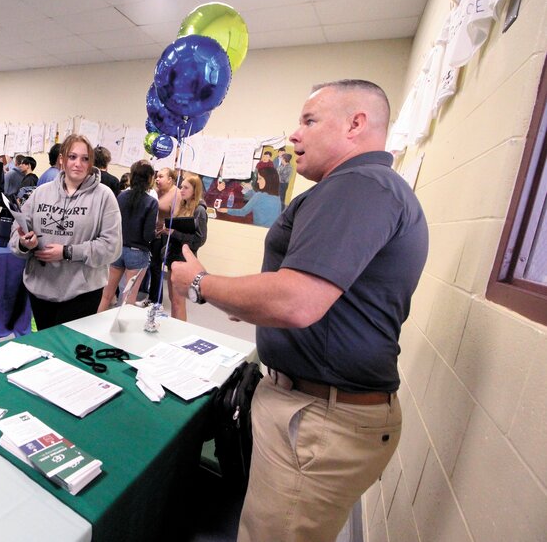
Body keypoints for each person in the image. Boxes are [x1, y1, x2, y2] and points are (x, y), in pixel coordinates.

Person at [171, 79, 429, 542]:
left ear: (356, 124)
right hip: (311, 409)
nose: (294, 135)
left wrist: (199, 284)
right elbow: (315, 296)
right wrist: (237, 299)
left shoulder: (359, 185)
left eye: (309, 121)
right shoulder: (358, 189)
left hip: (319, 418)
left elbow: (297, 300)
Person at [9, 134, 121, 330]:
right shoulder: (41, 192)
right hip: (40, 289)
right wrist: (24, 243)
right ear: (62, 159)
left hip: (81, 293)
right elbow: (16, 233)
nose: (78, 163)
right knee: (44, 349)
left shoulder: (104, 196)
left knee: (68, 354)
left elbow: (112, 247)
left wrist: (68, 252)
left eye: (85, 158)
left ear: (91, 162)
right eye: (72, 157)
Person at [98, 160, 157, 312]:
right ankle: (120, 333)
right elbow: (147, 235)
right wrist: (157, 233)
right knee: (128, 299)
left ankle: (95, 329)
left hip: (117, 249)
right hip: (137, 253)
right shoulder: (151, 202)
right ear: (150, 178)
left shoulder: (120, 196)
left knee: (106, 295)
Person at [164, 173, 207, 321]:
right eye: (181, 186)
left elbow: (199, 240)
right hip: (173, 257)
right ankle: (173, 330)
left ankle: (178, 336)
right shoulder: (182, 207)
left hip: (184, 259)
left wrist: (175, 233)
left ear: (195, 190)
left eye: (185, 187)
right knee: (172, 299)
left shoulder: (199, 211)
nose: (181, 190)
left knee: (178, 302)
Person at [144, 166, 179, 306]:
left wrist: (166, 229)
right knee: (151, 265)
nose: (157, 179)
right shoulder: (155, 191)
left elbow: (176, 217)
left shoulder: (176, 193)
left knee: (156, 266)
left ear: (170, 179)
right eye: (157, 176)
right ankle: (150, 295)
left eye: (161, 177)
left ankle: (155, 300)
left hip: (164, 235)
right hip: (152, 233)